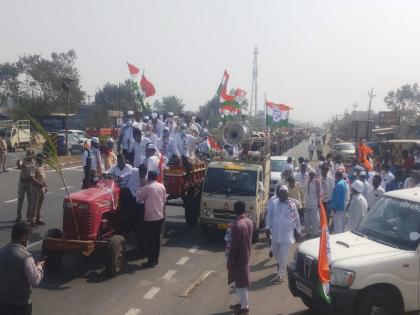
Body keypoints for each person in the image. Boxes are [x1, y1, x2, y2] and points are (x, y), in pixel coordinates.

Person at [0, 222, 44, 315]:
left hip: (3, 302)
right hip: (21, 306)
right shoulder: (25, 257)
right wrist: (39, 267)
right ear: (24, 237)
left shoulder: (2, 251)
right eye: (29, 237)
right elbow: (35, 280)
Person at [266, 185, 300, 283]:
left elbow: (297, 218)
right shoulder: (274, 203)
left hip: (287, 235)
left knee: (284, 256)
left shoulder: (291, 205)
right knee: (276, 253)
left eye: (285, 194)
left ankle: (280, 275)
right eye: (281, 194)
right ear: (279, 194)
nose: (283, 196)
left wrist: (298, 231)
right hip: (275, 234)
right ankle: (279, 264)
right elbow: (269, 216)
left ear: (287, 194)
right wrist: (267, 228)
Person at [227, 201, 253, 315]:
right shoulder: (249, 221)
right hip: (246, 253)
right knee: (240, 281)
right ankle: (240, 303)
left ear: (235, 210)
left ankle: (244, 307)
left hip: (238, 257)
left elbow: (234, 245)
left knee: (240, 283)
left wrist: (230, 259)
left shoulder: (237, 225)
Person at [137, 171, 166, 268]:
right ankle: (156, 260)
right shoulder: (162, 186)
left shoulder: (147, 188)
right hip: (159, 216)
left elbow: (139, 198)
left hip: (150, 218)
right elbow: (164, 200)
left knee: (149, 240)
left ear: (148, 177)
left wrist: (141, 186)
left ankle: (150, 261)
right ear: (156, 177)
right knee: (157, 240)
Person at [16, 150, 36, 222]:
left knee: (30, 200)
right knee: (20, 199)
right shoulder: (23, 160)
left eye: (30, 154)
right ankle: (18, 215)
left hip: (30, 183)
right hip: (22, 183)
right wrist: (18, 161)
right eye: (28, 154)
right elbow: (19, 165)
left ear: (33, 154)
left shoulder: (34, 162)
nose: (29, 155)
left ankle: (29, 216)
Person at [28, 154, 47, 227]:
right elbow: (32, 178)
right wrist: (39, 184)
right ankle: (32, 220)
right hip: (35, 188)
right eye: (43, 158)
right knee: (34, 204)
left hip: (41, 188)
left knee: (40, 204)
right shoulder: (33, 166)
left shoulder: (41, 165)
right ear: (38, 158)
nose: (44, 159)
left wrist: (46, 186)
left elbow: (44, 176)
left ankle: (38, 219)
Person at [304, 171, 321, 237]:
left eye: (312, 175)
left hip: (314, 202)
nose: (311, 176)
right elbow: (304, 190)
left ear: (314, 175)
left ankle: (315, 233)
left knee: (315, 218)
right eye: (310, 175)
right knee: (307, 218)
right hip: (307, 201)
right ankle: (308, 232)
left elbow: (320, 192)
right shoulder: (306, 181)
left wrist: (319, 201)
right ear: (309, 175)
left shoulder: (317, 182)